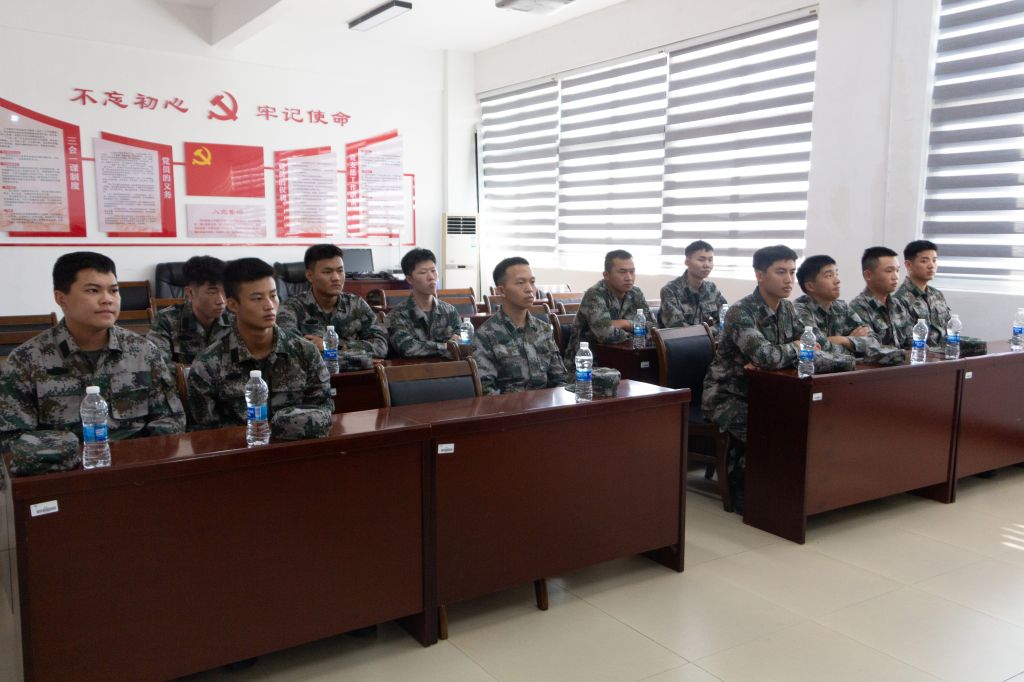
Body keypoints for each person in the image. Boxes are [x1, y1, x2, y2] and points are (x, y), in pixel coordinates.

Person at [702, 245, 855, 512]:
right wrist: (797, 348)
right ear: (760, 275)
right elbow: (767, 357)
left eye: (792, 272)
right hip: (728, 395)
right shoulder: (741, 312)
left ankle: (795, 492)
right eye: (780, 272)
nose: (788, 279)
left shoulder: (789, 310)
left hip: (769, 392)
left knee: (806, 425)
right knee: (770, 430)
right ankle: (746, 492)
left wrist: (837, 355)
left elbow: (822, 347)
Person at [0, 251, 185, 451]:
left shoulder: (144, 352)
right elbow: (11, 439)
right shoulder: (26, 360)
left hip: (137, 463)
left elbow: (170, 421)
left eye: (114, 290)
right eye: (93, 290)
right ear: (61, 298)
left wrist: (144, 459)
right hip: (63, 467)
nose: (107, 299)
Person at [187, 258, 332, 440]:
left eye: (273, 295)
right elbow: (204, 434)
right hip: (239, 453)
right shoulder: (207, 365)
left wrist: (283, 428)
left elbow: (323, 410)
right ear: (232, 305)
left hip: (298, 449)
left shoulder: (305, 352)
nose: (269, 305)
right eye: (257, 298)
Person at [472, 257, 568, 395]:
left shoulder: (544, 329)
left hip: (545, 405)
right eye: (520, 283)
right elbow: (487, 392)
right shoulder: (485, 335)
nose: (529, 289)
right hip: (507, 407)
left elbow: (560, 380)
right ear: (501, 290)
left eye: (532, 282)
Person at [277, 244, 388, 358]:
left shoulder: (357, 304)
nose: (336, 278)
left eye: (340, 271)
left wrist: (332, 346)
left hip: (358, 370)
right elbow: (291, 351)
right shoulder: (290, 308)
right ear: (310, 275)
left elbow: (381, 346)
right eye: (327, 272)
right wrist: (357, 355)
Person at [794, 255, 904, 365]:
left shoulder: (842, 307)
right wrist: (854, 347)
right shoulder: (800, 311)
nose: (837, 280)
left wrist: (844, 340)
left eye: (836, 274)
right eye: (829, 276)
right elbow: (820, 348)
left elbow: (874, 340)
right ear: (810, 286)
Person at [564, 249, 657, 366]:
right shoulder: (594, 295)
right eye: (622, 272)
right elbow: (606, 335)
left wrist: (624, 324)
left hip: (624, 358)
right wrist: (638, 332)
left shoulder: (636, 293)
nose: (629, 277)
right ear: (606, 275)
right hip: (589, 365)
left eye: (632, 272)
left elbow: (654, 328)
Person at [893, 240, 986, 356]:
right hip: (922, 358)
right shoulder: (899, 300)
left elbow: (949, 331)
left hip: (945, 355)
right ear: (909, 265)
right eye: (924, 261)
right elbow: (906, 342)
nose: (931, 266)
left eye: (934, 260)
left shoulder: (936, 295)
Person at [148, 255, 233, 364]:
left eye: (225, 291)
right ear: (190, 293)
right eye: (212, 292)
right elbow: (157, 366)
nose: (221, 301)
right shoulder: (166, 321)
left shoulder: (235, 320)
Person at [385, 248, 462, 358]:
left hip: (449, 369)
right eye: (423, 272)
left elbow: (461, 345)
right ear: (409, 279)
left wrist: (451, 346)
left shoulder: (450, 311)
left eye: (433, 271)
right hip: (413, 369)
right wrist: (446, 346)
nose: (431, 277)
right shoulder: (396, 315)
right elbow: (408, 349)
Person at [849, 246, 914, 349]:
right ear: (868, 275)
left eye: (897, 270)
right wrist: (904, 354)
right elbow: (871, 349)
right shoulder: (857, 308)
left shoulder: (898, 305)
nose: (895, 277)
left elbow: (912, 340)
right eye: (889, 271)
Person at [659, 240, 728, 332]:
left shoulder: (712, 289)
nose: (707, 265)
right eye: (701, 260)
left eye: (710, 260)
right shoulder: (670, 290)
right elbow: (678, 328)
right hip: (680, 340)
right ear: (687, 262)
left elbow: (728, 318)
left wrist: (712, 331)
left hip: (708, 339)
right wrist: (710, 332)